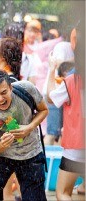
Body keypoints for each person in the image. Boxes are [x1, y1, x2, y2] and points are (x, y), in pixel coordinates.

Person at [0, 70, 48, 200]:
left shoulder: (26, 89)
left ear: (11, 87)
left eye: (4, 92)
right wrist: (3, 144)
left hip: (30, 152)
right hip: (1, 157)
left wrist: (29, 127)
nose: (1, 99)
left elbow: (44, 110)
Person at [47, 24, 85, 200]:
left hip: (76, 147)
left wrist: (51, 68)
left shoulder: (71, 81)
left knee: (62, 192)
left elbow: (49, 97)